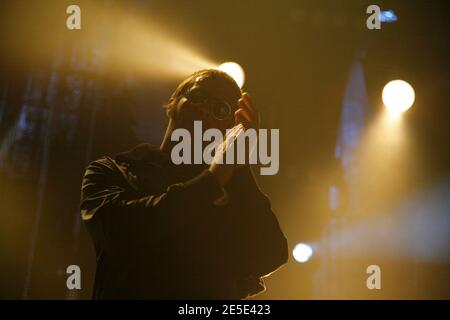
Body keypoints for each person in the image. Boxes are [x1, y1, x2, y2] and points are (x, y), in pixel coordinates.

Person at [80, 69, 288, 299]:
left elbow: (270, 253)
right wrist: (214, 179)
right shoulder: (111, 171)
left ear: (229, 125)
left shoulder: (232, 191)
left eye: (220, 109)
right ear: (172, 102)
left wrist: (238, 168)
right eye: (199, 96)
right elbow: (118, 232)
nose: (205, 110)